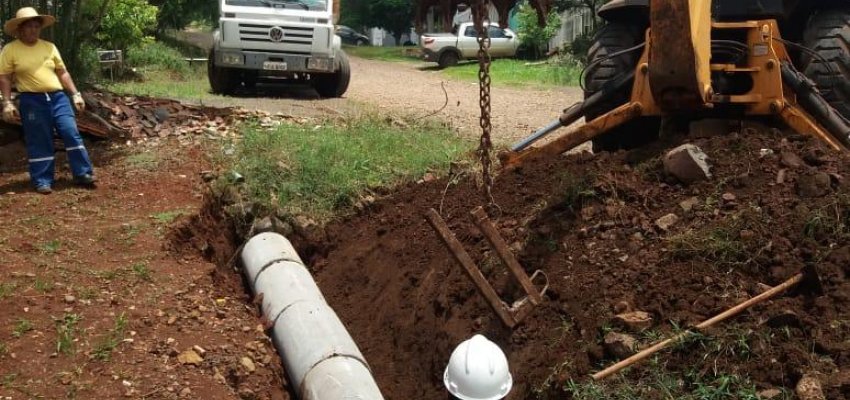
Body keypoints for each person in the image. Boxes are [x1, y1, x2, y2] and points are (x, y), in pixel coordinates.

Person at [0, 7, 95, 194]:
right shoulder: (11, 50)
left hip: (58, 97)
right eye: (29, 26)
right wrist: (7, 102)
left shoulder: (49, 47)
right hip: (31, 100)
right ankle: (42, 180)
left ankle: (83, 173)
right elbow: (4, 77)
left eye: (36, 26)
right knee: (39, 138)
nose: (33, 30)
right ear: (19, 29)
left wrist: (75, 94)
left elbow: (62, 72)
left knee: (70, 131)